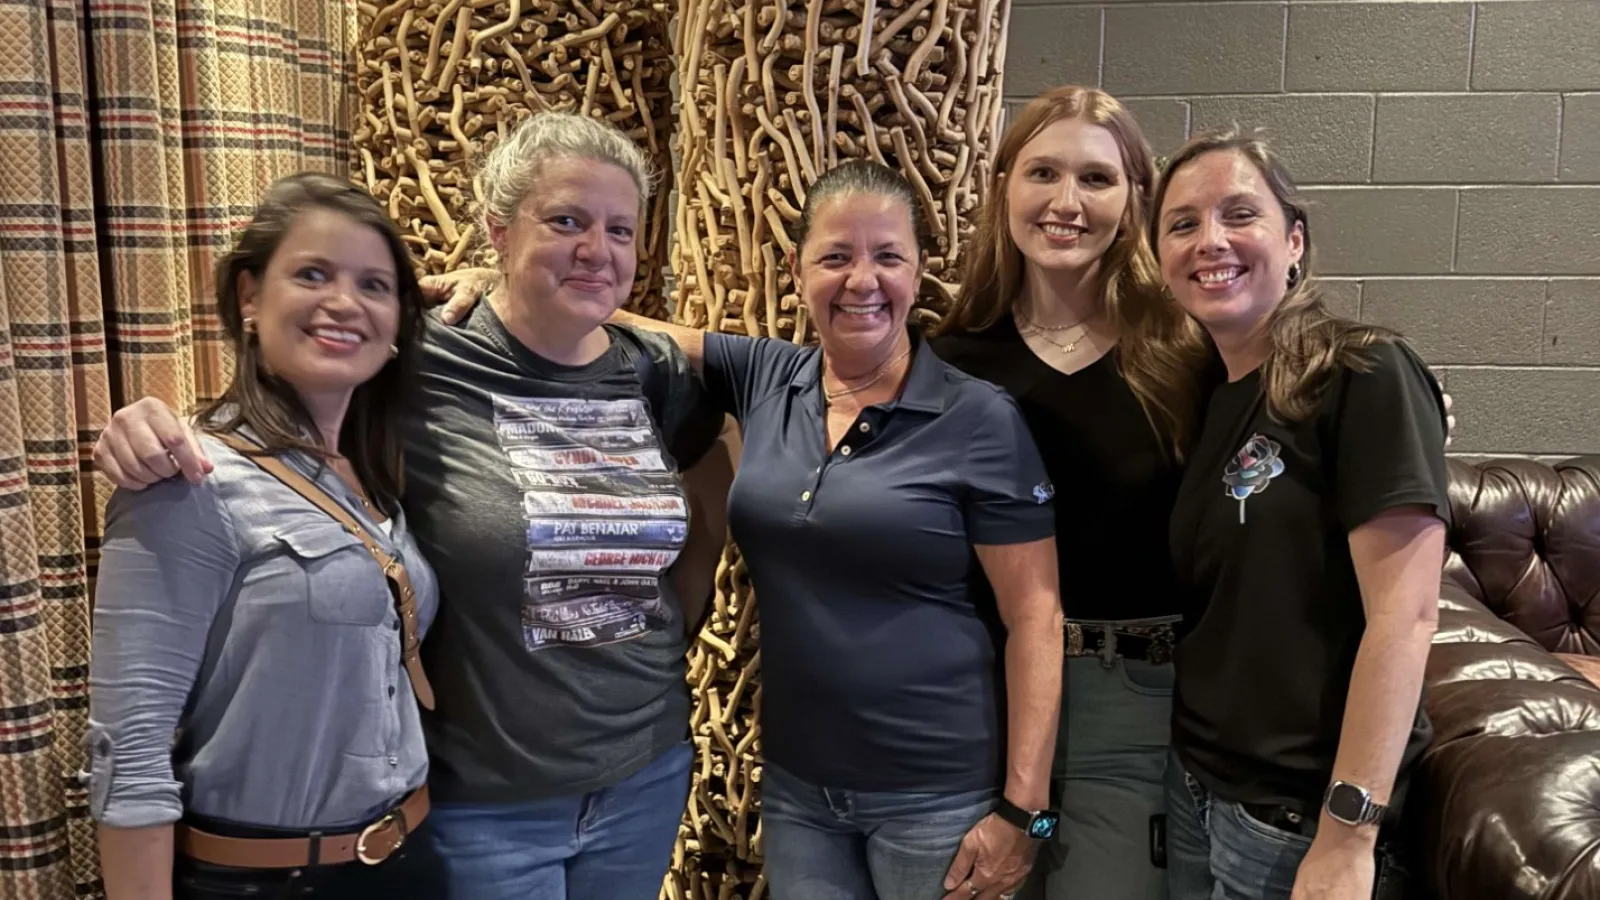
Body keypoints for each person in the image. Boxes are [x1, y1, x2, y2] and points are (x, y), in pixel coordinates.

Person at [88, 111, 735, 900]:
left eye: (621, 230)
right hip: (482, 801)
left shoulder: (653, 372)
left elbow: (719, 455)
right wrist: (151, 425)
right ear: (497, 232)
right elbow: (283, 410)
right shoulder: (422, 353)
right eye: (565, 220)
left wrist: (680, 620)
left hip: (645, 773)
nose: (597, 249)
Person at [433, 159, 1066, 900]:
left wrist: (1026, 812)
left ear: (919, 272)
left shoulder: (977, 418)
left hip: (937, 796)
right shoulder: (772, 377)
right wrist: (497, 270)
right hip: (800, 792)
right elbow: (606, 311)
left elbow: (1037, 618)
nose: (862, 280)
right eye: (835, 257)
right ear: (799, 273)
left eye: (888, 256)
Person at [88, 172, 445, 899]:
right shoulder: (185, 481)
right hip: (269, 880)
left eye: (374, 285)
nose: (344, 303)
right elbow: (128, 755)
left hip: (410, 862)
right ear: (251, 297)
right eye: (313, 274)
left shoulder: (373, 474)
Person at [1151, 129, 1448, 900]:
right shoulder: (1211, 399)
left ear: (1294, 241)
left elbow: (1406, 618)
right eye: (1182, 224)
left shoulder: (1364, 372)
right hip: (1199, 787)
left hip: (1296, 816)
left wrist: (1348, 832)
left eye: (1238, 214)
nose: (1210, 241)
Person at [928, 86, 1207, 900]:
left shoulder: (1186, 354)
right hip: (979, 700)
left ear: (1134, 201)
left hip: (1130, 705)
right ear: (1004, 185)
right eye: (1043, 172)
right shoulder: (952, 361)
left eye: (1096, 179)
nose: (1066, 202)